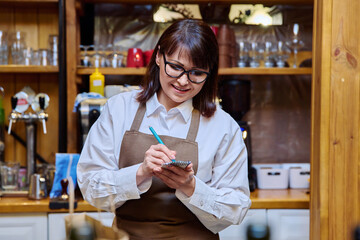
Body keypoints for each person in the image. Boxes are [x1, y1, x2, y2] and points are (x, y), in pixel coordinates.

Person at [77, 18, 251, 240]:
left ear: (210, 72)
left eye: (196, 72)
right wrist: (139, 173)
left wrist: (190, 187)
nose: (183, 81)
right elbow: (90, 187)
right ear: (158, 56)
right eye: (176, 67)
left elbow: (236, 208)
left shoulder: (223, 126)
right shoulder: (119, 109)